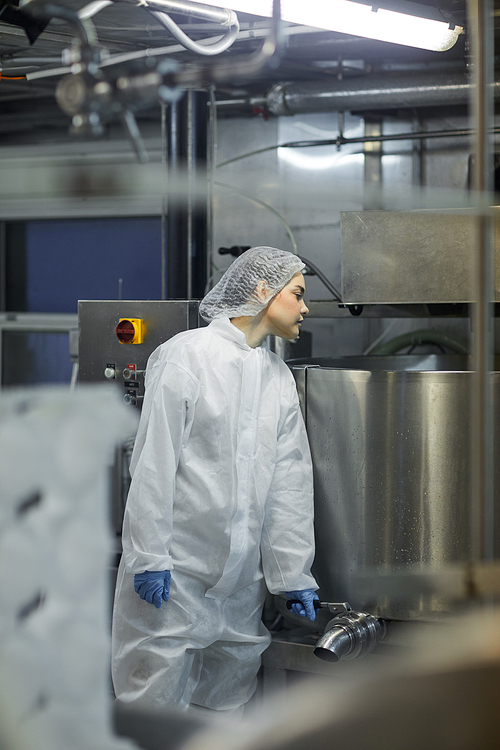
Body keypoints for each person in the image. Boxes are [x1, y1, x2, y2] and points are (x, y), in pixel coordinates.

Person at [111, 246, 319, 715]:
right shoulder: (187, 355)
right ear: (263, 290)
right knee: (153, 713)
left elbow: (289, 482)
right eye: (298, 293)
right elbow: (154, 463)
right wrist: (149, 556)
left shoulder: (277, 376)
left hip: (242, 586)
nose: (305, 308)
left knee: (224, 713)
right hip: (176, 574)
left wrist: (292, 574)